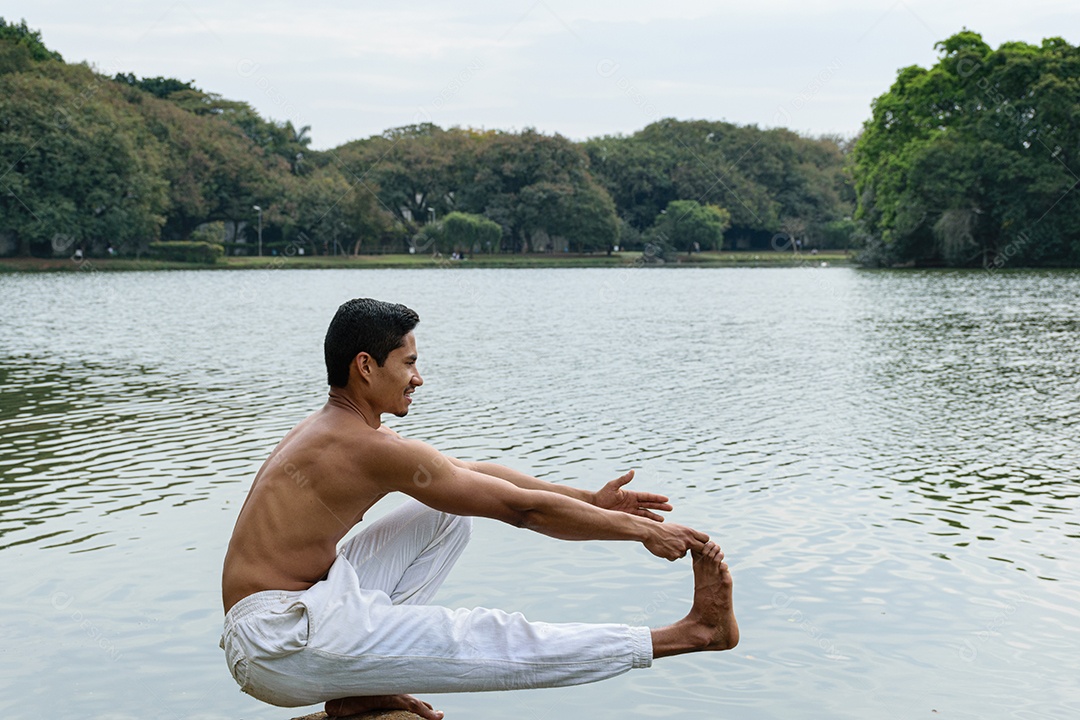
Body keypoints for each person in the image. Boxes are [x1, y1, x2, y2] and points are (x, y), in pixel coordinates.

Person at [220, 298, 738, 720]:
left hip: (293, 616)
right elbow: (521, 511)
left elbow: (470, 474)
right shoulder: (362, 447)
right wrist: (636, 531)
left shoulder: (337, 430)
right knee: (481, 636)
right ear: (365, 366)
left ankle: (365, 689)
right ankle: (690, 634)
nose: (418, 378)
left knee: (446, 512)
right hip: (277, 644)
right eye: (409, 363)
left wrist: (588, 500)